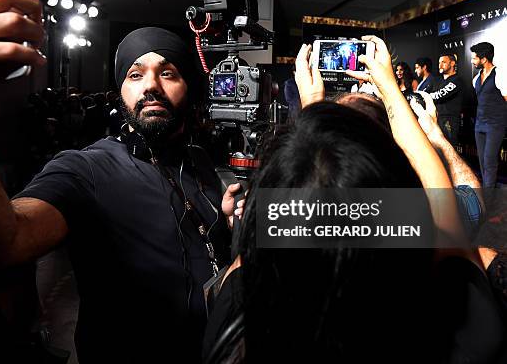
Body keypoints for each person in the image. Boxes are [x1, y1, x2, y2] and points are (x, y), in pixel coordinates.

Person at [0, 0, 239, 363]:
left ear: (190, 88)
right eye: (134, 75)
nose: (150, 85)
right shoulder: (86, 169)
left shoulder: (201, 162)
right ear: (119, 93)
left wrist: (234, 229)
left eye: (168, 72)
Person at [203, 37, 506, 364]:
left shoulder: (236, 326)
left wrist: (312, 112)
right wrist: (392, 91)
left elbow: (270, 238)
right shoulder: (464, 326)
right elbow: (442, 208)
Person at [470, 42, 507, 188]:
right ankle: (488, 193)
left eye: (474, 58)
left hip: (495, 125)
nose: (472, 61)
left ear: (484, 59)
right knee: (482, 162)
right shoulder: (476, 79)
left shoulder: (500, 75)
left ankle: (488, 198)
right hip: (479, 125)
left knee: (490, 161)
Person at [425, 54, 464, 146]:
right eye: (439, 63)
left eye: (443, 62)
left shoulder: (457, 80)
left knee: (449, 149)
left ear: (452, 63)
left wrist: (425, 96)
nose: (440, 65)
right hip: (435, 120)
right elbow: (423, 93)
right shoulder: (436, 80)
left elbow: (440, 95)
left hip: (449, 121)